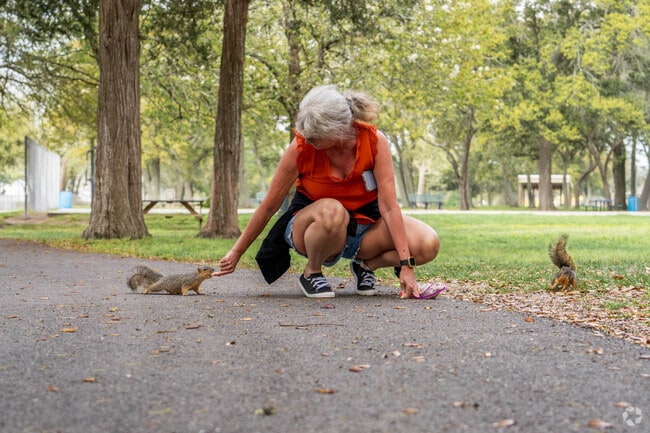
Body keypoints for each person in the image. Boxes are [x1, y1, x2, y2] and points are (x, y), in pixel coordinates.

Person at [213, 84, 440, 298]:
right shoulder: (301, 148)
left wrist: (405, 265)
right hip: (313, 229)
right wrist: (236, 253)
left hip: (364, 229)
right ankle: (312, 272)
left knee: (427, 243)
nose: (307, 140)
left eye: (314, 137)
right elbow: (269, 206)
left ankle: (366, 266)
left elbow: (389, 207)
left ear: (339, 130)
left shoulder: (374, 142)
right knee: (333, 210)